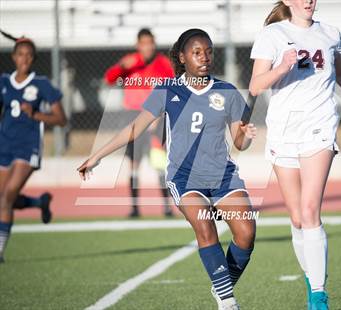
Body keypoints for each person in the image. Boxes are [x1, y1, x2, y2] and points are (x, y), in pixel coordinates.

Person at [79, 28, 257, 310]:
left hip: (223, 176)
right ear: (183, 57)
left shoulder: (227, 91)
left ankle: (221, 286)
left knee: (246, 233)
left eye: (209, 52)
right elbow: (135, 128)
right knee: (204, 225)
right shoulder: (167, 90)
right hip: (185, 178)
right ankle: (228, 302)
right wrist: (97, 156)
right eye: (197, 52)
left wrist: (245, 136)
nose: (205, 58)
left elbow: (239, 141)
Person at [249, 1, 341, 309]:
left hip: (320, 126)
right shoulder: (272, 35)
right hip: (283, 130)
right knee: (296, 217)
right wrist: (282, 67)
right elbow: (254, 85)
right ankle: (310, 275)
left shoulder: (330, 33)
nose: (308, 0)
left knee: (309, 209)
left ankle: (318, 294)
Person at [0, 31, 67, 263]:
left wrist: (37, 114)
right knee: (3, 197)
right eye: (20, 54)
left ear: (33, 58)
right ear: (14, 57)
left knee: (7, 196)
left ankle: (0, 251)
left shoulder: (41, 85)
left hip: (27, 147)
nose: (24, 59)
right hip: (5, 144)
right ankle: (39, 202)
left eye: (29, 55)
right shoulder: (4, 82)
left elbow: (61, 119)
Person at [104, 28, 174, 218]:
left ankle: (167, 207)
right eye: (143, 43)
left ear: (154, 43)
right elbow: (110, 79)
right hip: (133, 117)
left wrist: (159, 114)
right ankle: (135, 208)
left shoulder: (163, 64)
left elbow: (171, 89)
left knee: (159, 162)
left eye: (150, 43)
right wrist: (122, 67)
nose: (147, 47)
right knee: (133, 164)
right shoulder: (129, 62)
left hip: (155, 117)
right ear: (138, 45)